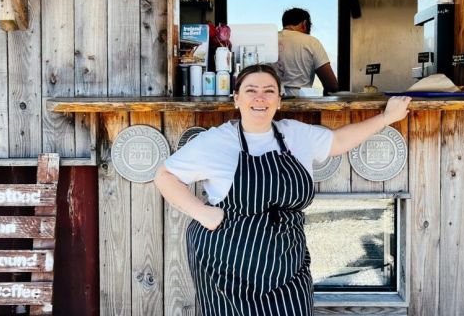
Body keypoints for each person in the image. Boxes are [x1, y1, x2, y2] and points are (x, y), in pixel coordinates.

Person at [154, 64, 410, 315]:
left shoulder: (295, 134)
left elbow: (339, 141)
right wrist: (203, 214)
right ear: (236, 99)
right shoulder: (217, 140)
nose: (260, 98)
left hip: (287, 260)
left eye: (269, 91)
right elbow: (165, 176)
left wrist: (387, 117)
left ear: (278, 100)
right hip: (227, 264)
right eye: (251, 90)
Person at [274, 7, 339, 96]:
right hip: (301, 101)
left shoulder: (268, 40)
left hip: (270, 100)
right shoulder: (311, 42)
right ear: (304, 24)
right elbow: (331, 85)